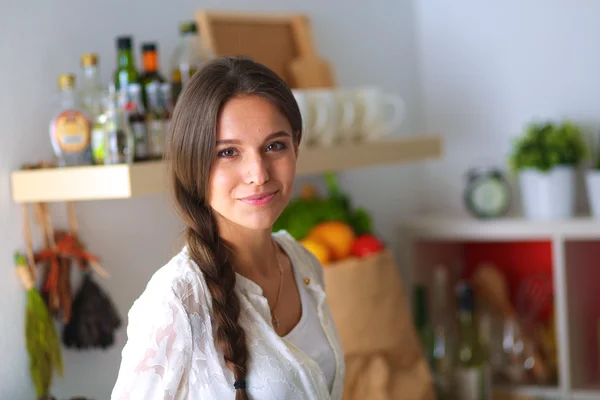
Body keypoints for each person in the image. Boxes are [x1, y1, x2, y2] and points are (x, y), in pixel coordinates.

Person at [110, 56, 345, 400]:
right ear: (194, 161)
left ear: (296, 144)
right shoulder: (176, 302)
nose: (259, 173)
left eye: (274, 146)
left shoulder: (304, 263)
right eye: (229, 152)